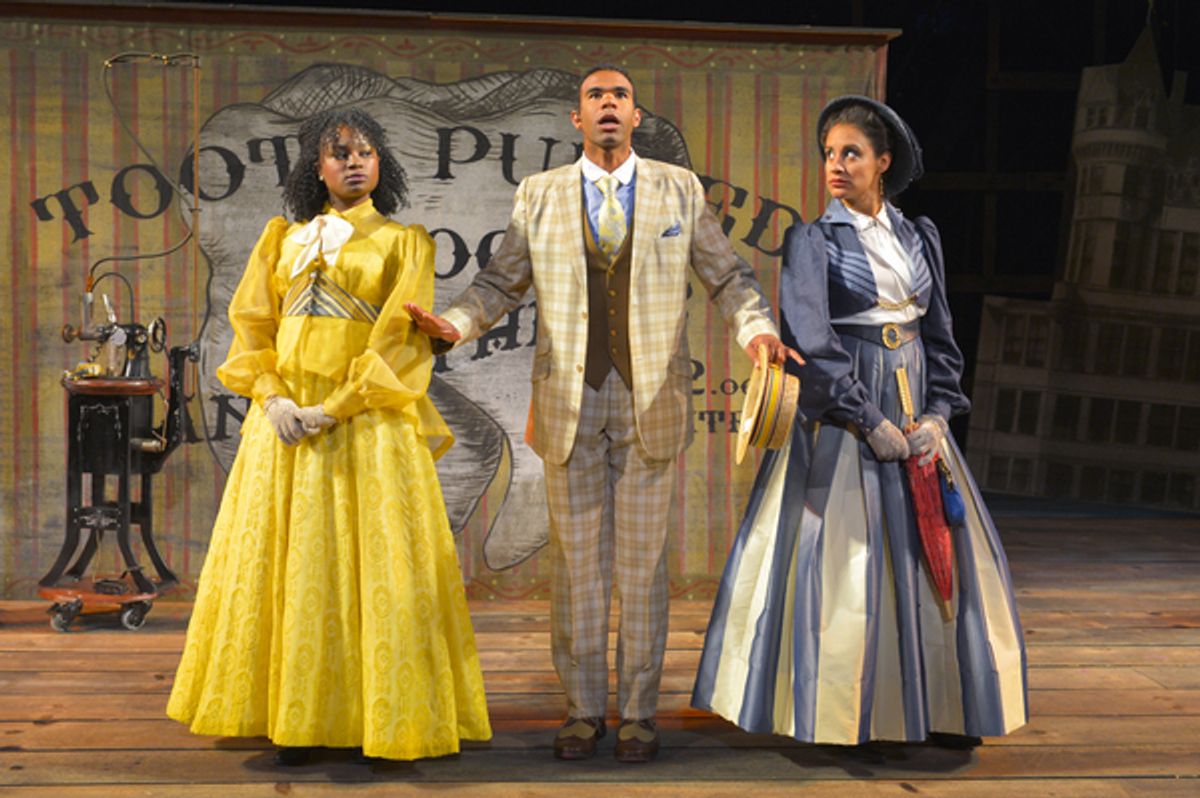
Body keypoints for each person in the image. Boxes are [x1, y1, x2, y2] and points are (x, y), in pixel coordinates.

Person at [407, 65, 800, 763]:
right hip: (569, 404)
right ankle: (583, 712)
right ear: (577, 120)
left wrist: (756, 331)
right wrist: (456, 324)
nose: (609, 106)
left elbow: (727, 276)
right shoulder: (541, 194)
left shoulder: (678, 189)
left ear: (636, 116)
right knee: (579, 569)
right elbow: (502, 280)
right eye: (596, 97)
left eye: (619, 96)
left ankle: (641, 716)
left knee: (644, 569)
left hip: (652, 404)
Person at [692, 95, 1028, 749]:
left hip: (915, 408)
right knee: (849, 559)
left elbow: (940, 334)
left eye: (851, 153)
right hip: (848, 416)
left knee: (932, 554)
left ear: (883, 162)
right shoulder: (812, 240)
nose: (836, 166)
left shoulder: (918, 234)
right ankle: (850, 712)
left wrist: (936, 413)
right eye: (828, 154)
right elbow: (813, 341)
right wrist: (867, 420)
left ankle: (937, 708)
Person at [167, 107, 491, 764]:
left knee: (374, 569)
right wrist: (274, 396)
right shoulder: (281, 238)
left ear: (381, 166)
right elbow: (251, 327)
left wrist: (335, 408)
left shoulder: (404, 243)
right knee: (295, 567)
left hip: (366, 425)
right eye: (339, 152)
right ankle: (300, 718)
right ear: (315, 168)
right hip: (285, 427)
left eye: (366, 153)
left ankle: (383, 718)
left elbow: (398, 343)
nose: (353, 162)